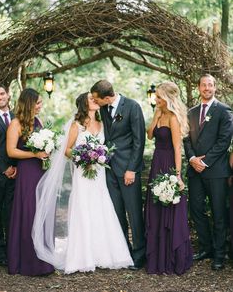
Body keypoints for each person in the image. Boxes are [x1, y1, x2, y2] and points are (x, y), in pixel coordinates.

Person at [32, 92, 133, 273]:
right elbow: (67, 150)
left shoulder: (103, 124)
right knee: (84, 208)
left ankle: (104, 254)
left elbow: (107, 147)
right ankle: (83, 256)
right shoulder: (76, 126)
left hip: (99, 173)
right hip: (82, 172)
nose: (95, 101)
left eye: (95, 99)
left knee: (101, 207)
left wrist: (101, 155)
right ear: (84, 104)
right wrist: (82, 156)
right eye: (91, 99)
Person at [91, 80, 146, 269]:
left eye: (97, 99)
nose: (95, 102)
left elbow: (139, 141)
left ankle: (140, 255)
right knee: (116, 213)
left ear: (107, 97)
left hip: (128, 170)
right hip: (109, 169)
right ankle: (125, 252)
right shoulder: (104, 109)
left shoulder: (132, 107)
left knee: (134, 213)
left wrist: (132, 169)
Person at [184, 74, 233, 271]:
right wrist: (192, 159)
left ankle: (220, 254)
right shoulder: (191, 112)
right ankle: (206, 247)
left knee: (219, 212)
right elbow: (186, 139)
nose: (207, 88)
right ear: (198, 88)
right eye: (203, 85)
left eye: (210, 85)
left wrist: (205, 161)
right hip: (195, 170)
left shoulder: (224, 110)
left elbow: (225, 140)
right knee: (196, 209)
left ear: (215, 87)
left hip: (216, 171)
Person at [145, 81, 192, 275]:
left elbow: (177, 148)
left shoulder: (173, 118)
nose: (156, 99)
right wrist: (155, 117)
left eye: (158, 97)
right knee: (156, 208)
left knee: (169, 208)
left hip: (169, 164)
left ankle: (171, 258)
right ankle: (156, 258)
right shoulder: (160, 114)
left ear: (167, 98)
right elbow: (149, 136)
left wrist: (177, 176)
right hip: (157, 162)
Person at [6, 88, 54, 276]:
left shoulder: (38, 121)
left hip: (41, 171)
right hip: (27, 173)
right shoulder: (15, 124)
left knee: (42, 211)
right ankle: (27, 261)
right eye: (38, 103)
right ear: (29, 103)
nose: (40, 106)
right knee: (29, 212)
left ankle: (42, 260)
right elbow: (11, 151)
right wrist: (34, 153)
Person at [0, 84, 16, 266]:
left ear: (8, 95)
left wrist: (17, 167)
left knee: (11, 213)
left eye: (2, 93)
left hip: (17, 174)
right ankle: (0, 253)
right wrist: (4, 168)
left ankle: (12, 250)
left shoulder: (16, 116)